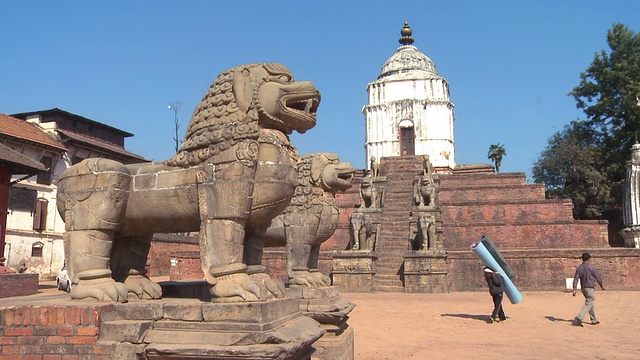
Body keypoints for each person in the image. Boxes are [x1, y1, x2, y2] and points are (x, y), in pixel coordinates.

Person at [572, 252, 604, 327]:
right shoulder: (591, 267)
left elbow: (576, 278)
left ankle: (593, 320)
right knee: (589, 302)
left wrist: (574, 289)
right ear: (589, 259)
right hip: (590, 287)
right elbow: (597, 276)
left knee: (590, 302)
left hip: (583, 288)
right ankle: (580, 317)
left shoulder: (579, 268)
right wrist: (601, 285)